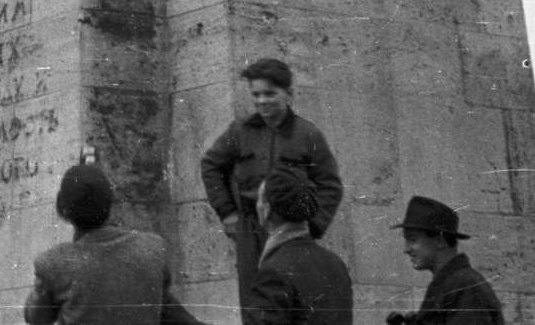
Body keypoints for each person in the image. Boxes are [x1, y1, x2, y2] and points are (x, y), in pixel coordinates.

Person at [200, 58, 343, 322]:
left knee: (291, 296)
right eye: (256, 95)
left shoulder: (307, 134)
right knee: (255, 300)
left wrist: (313, 226)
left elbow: (330, 185)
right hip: (251, 229)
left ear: (288, 94)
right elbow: (211, 165)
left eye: (270, 93)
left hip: (289, 229)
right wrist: (227, 212)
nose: (262, 101)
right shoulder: (241, 130)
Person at [24, 164, 204, 325]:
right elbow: (166, 307)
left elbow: (35, 317)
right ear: (110, 203)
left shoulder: (54, 264)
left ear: (64, 211)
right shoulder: (153, 248)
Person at [246, 165, 353, 324]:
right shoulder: (336, 264)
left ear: (267, 210)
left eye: (260, 199)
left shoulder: (273, 273)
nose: (257, 205)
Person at [384, 196, 504, 325]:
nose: (406, 249)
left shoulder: (463, 285)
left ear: (439, 240)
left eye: (413, 239)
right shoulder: (452, 283)